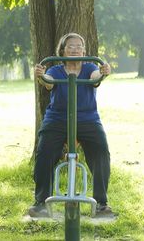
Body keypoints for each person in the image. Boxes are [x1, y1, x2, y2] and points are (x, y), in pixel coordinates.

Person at [29, 33, 112, 217]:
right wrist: (42, 76)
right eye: (70, 47)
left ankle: (101, 203)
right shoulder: (56, 70)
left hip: (87, 118)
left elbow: (94, 77)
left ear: (84, 50)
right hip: (57, 118)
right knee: (44, 153)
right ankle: (41, 202)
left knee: (101, 151)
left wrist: (103, 72)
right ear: (63, 50)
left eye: (78, 46)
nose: (74, 50)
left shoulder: (89, 66)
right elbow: (49, 83)